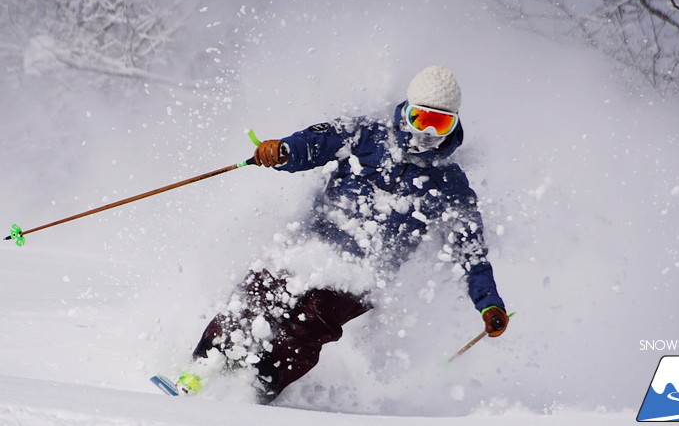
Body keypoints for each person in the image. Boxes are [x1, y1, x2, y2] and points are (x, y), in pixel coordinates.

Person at [176, 65, 509, 402]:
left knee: (312, 317)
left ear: (453, 126)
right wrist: (284, 151)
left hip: (365, 275)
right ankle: (202, 367)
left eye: (440, 124)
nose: (427, 133)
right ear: (405, 112)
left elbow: (470, 251)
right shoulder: (368, 135)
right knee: (260, 291)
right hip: (311, 243)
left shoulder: (450, 185)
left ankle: (255, 390)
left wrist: (488, 303)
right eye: (421, 119)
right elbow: (318, 142)